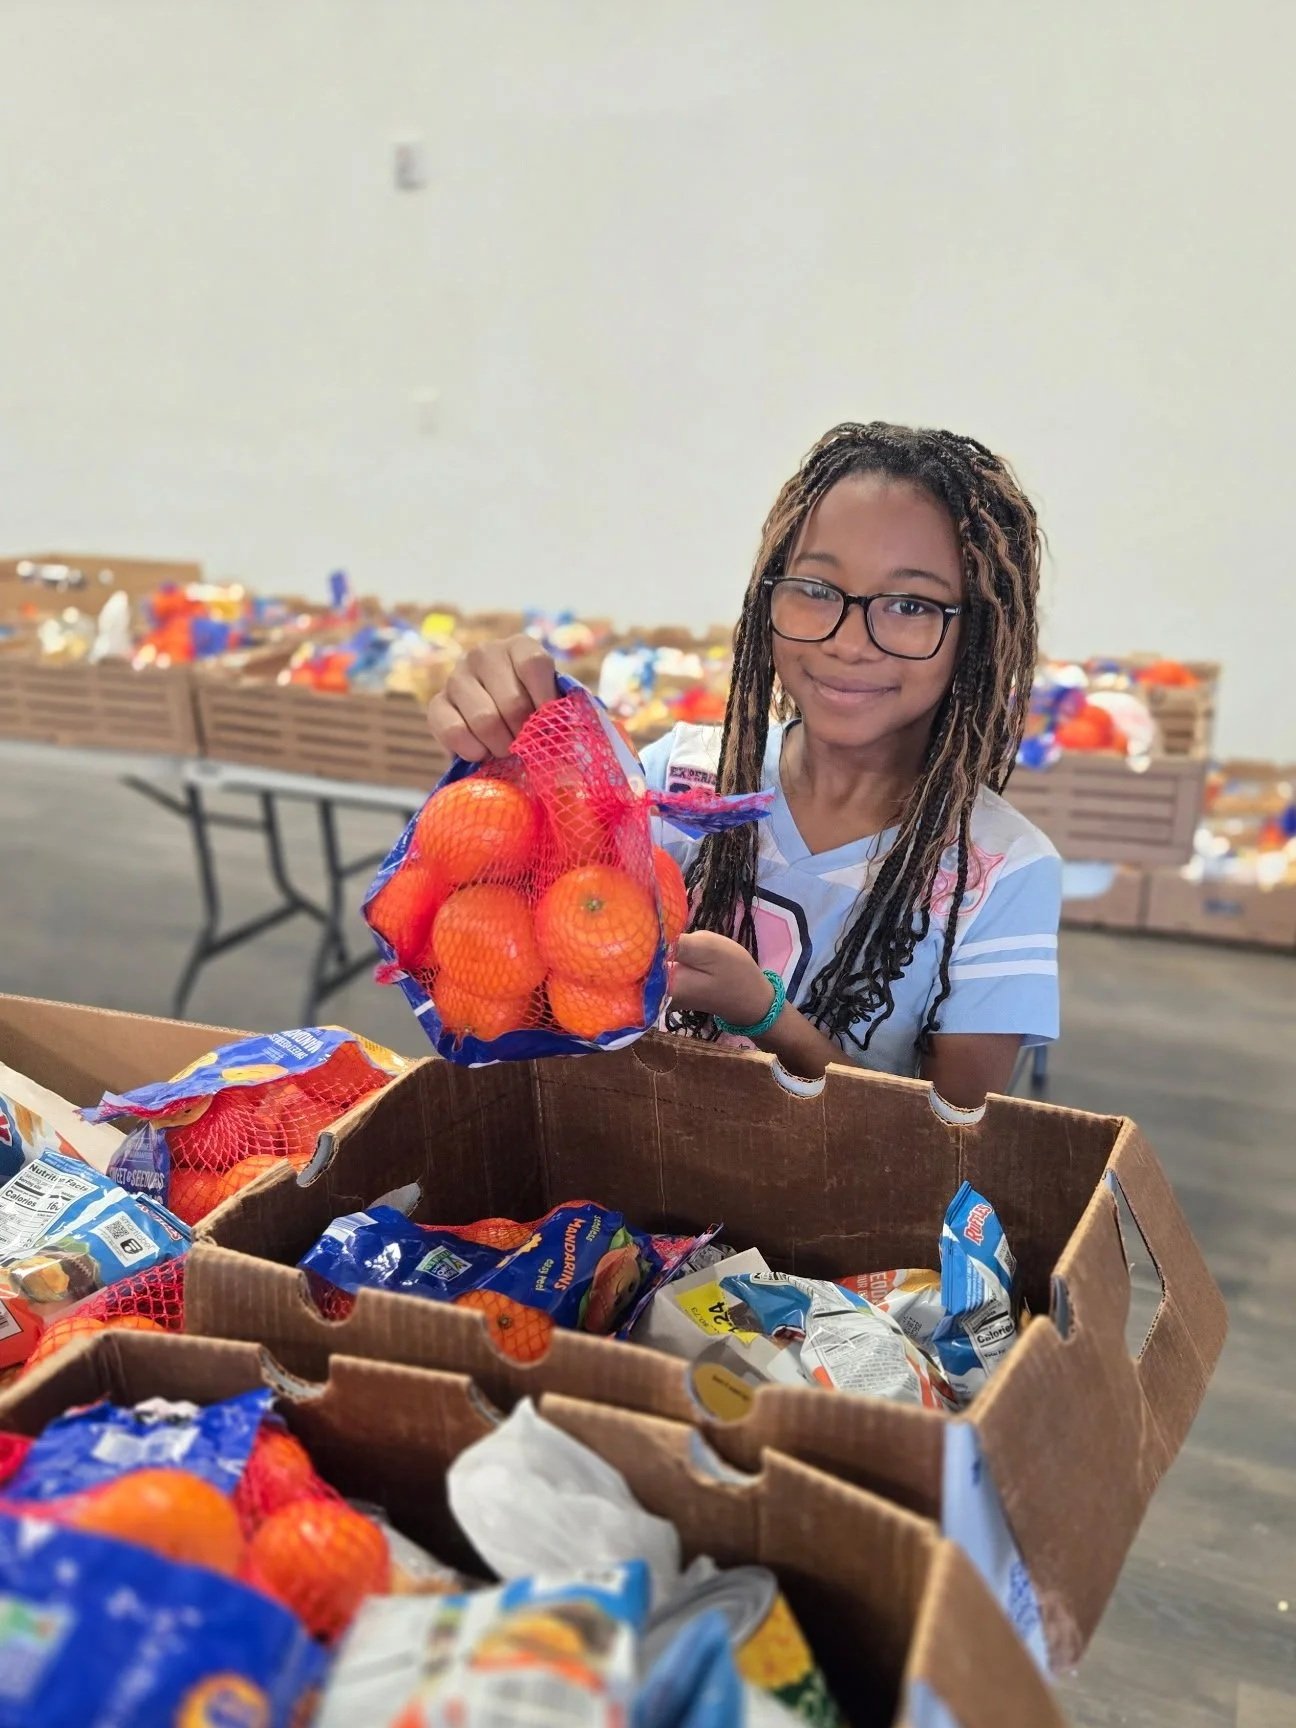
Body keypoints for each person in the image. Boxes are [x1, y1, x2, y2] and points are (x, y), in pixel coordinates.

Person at [428, 421, 1059, 1108]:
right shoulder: (680, 780)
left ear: (978, 634)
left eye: (909, 604)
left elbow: (953, 1148)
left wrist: (768, 1019)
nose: (849, 642)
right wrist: (507, 757)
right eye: (817, 589)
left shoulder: (1001, 872)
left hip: (826, 1216)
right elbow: (518, 935)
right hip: (627, 1198)